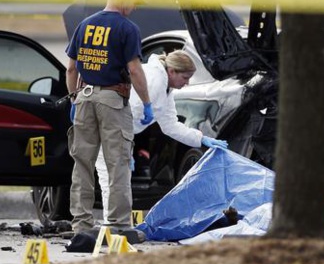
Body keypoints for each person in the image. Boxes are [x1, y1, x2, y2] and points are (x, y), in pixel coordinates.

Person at [95, 50, 228, 216]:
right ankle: (113, 227)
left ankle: (117, 226)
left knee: (118, 181)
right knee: (111, 179)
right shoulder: (153, 80)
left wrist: (201, 138)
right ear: (172, 71)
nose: (186, 84)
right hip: (109, 128)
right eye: (185, 78)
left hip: (119, 131)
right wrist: (126, 149)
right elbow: (126, 115)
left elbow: (170, 125)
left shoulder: (166, 88)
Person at [65, 0, 153, 235]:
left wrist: (74, 98)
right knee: (118, 164)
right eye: (134, 3)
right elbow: (134, 69)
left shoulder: (84, 25)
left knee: (82, 164)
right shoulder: (127, 28)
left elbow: (71, 68)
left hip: (84, 97)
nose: (134, 7)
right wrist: (146, 103)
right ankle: (119, 225)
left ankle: (81, 225)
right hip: (112, 101)